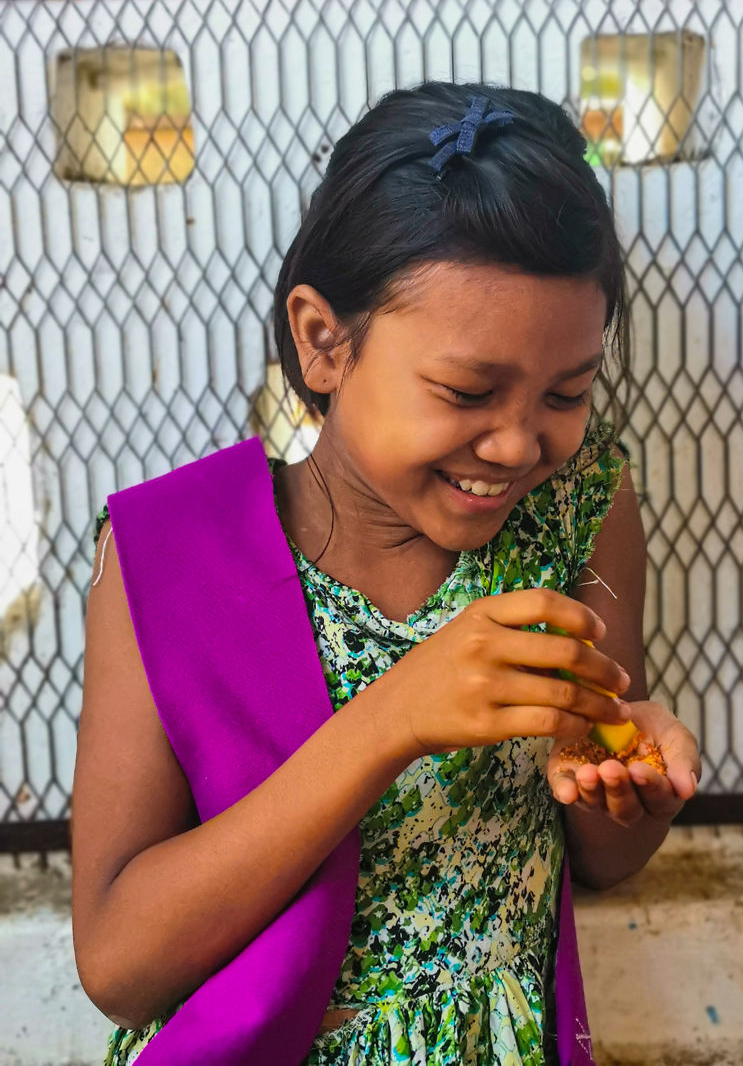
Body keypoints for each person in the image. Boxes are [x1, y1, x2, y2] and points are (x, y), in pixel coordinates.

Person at [74, 81, 701, 1065]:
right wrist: (391, 718)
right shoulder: (171, 554)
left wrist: (630, 785)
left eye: (566, 392)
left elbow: (605, 863)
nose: (514, 445)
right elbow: (118, 967)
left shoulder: (576, 512)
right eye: (465, 391)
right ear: (324, 342)